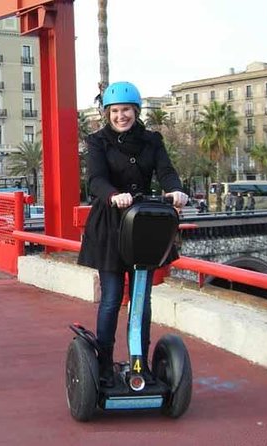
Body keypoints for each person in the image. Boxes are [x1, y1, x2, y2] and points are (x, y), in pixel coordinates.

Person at [77, 81, 188, 387]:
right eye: (115, 111)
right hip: (111, 224)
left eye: (126, 110)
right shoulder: (98, 141)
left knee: (142, 298)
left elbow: (165, 171)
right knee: (112, 298)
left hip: (144, 223)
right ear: (107, 113)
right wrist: (113, 194)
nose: (121, 116)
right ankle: (103, 365)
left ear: (136, 111)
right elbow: (95, 179)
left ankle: (141, 363)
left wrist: (175, 189)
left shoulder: (152, 140)